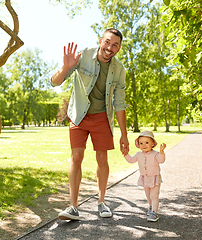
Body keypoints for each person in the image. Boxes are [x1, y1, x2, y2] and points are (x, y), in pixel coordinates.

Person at [51, 28, 130, 221]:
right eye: (107, 42)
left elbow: (119, 103)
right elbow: (55, 82)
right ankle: (73, 207)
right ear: (101, 41)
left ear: (119, 49)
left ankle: (101, 202)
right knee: (76, 156)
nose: (110, 48)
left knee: (102, 159)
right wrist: (66, 67)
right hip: (79, 114)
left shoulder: (119, 70)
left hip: (102, 116)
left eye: (115, 45)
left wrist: (124, 134)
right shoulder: (84, 55)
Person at [124, 130, 166, 222]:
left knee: (154, 195)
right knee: (148, 195)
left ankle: (154, 212)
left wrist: (162, 152)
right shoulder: (139, 154)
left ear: (152, 144)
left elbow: (161, 160)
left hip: (154, 177)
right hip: (145, 178)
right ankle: (151, 207)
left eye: (147, 143)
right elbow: (131, 160)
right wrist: (126, 154)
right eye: (141, 143)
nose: (144, 145)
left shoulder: (155, 154)